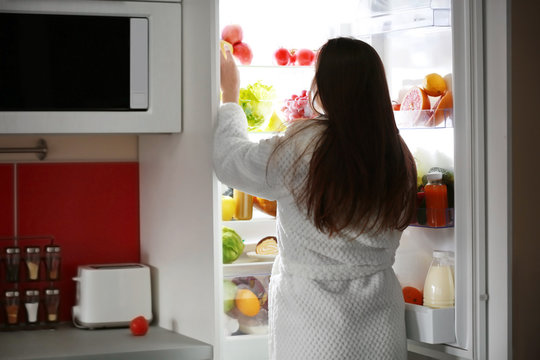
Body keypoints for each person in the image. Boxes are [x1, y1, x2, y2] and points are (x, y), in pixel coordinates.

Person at [214, 37, 417, 360]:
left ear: (325, 87)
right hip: (381, 310)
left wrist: (230, 95)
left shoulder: (304, 147)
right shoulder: (396, 150)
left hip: (314, 317)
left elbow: (230, 161)